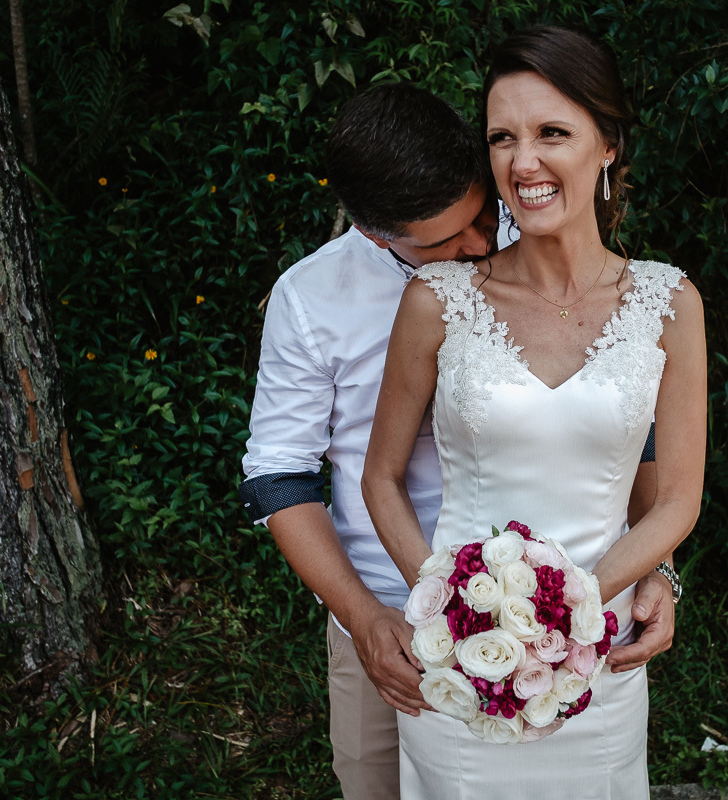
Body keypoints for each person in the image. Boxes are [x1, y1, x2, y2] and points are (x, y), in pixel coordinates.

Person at [240, 83, 676, 800]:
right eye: (443, 242)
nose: (479, 246)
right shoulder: (310, 299)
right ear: (375, 231)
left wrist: (659, 567)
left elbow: (626, 416)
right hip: (389, 620)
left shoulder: (541, 235)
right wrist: (364, 617)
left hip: (573, 620)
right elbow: (281, 477)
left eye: (480, 216)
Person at [361, 26, 706, 800]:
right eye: (502, 138)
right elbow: (379, 478)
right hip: (461, 670)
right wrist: (449, 612)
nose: (523, 164)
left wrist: (575, 608)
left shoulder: (670, 305)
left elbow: (679, 497)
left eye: (553, 133)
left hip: (598, 667)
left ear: (608, 145)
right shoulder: (438, 301)